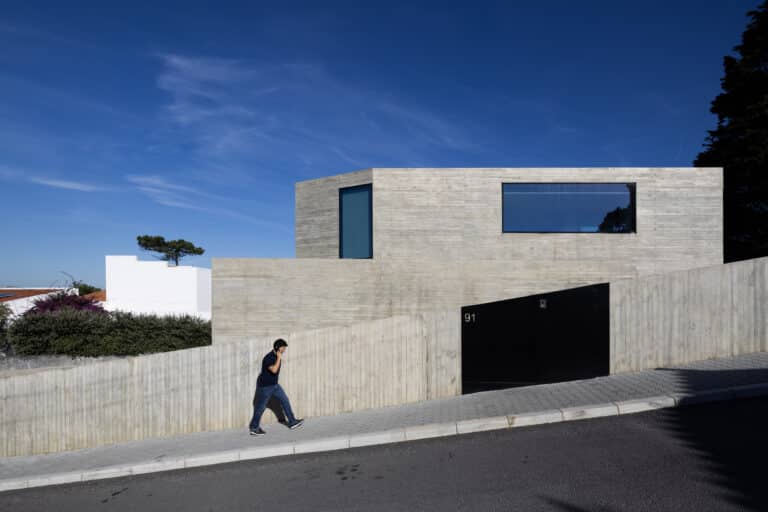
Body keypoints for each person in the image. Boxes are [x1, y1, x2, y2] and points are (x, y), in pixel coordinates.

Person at [249, 338, 304, 435]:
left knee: (285, 400)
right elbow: (274, 370)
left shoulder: (276, 356)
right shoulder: (268, 358)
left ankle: (292, 422)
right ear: (278, 348)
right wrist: (279, 358)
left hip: (274, 386)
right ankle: (254, 428)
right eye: (283, 348)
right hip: (265, 387)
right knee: (260, 408)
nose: (284, 350)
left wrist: (278, 357)